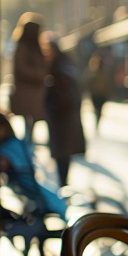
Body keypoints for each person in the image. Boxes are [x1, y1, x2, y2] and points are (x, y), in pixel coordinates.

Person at [40, 32, 86, 186]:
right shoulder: (64, 64)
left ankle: (63, 185)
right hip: (64, 116)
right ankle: (63, 184)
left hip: (63, 116)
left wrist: (52, 104)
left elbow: (65, 94)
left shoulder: (60, 66)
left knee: (63, 153)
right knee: (63, 153)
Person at [10, 12, 48, 142]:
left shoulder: (35, 48)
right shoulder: (23, 48)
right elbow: (22, 69)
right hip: (27, 93)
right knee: (28, 123)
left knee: (32, 124)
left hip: (34, 93)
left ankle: (28, 146)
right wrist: (40, 74)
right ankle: (26, 148)